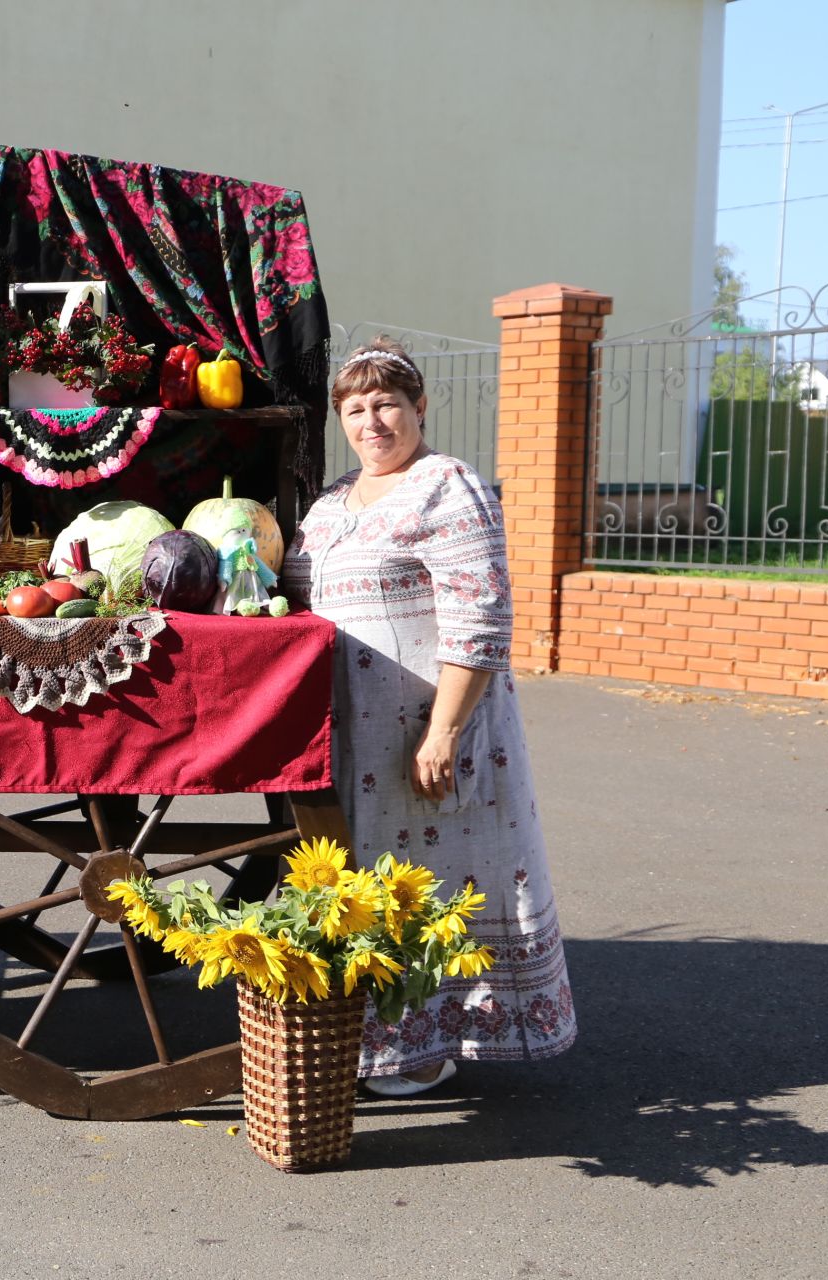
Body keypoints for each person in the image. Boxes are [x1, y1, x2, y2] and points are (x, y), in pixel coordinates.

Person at [282, 338, 576, 1096]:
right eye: (354, 409)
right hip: (350, 731)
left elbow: (481, 618)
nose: (371, 421)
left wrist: (443, 729)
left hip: (429, 728)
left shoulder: (447, 485)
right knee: (372, 881)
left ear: (419, 407)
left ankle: (432, 1040)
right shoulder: (331, 502)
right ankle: (380, 1037)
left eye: (386, 404)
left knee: (440, 881)